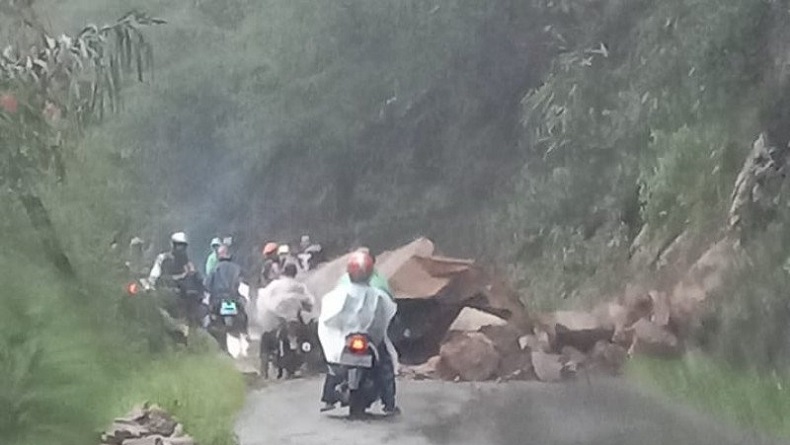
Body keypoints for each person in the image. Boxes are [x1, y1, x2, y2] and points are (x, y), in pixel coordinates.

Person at [318, 251, 400, 416]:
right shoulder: (378, 295)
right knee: (385, 365)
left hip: (346, 340)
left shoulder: (336, 294)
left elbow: (328, 320)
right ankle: (389, 404)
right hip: (369, 339)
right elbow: (386, 316)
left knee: (334, 366)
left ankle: (328, 398)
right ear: (370, 272)